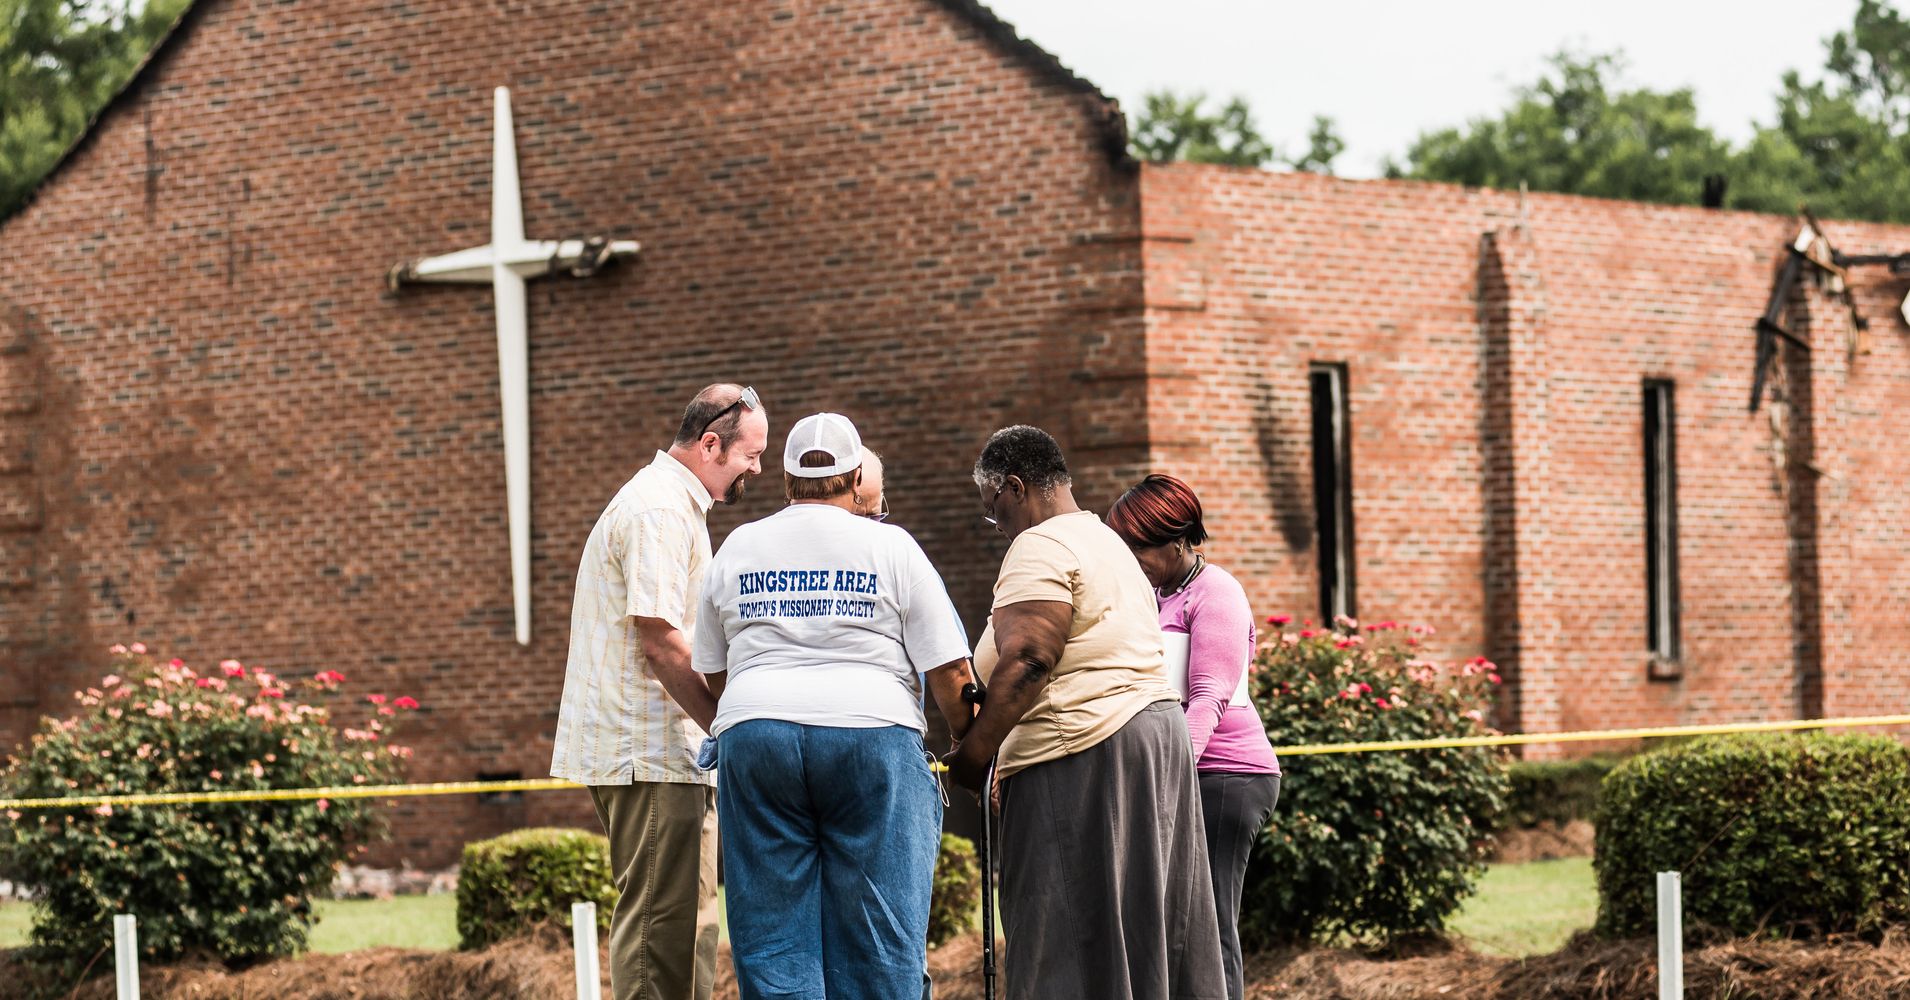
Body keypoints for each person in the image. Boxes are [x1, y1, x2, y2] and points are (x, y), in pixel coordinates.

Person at [693, 413, 975, 1000]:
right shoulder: (891, 545)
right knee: (879, 938)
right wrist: (968, 747)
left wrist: (760, 714)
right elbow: (950, 669)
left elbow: (714, 667)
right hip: (870, 735)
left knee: (771, 939)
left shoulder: (740, 545)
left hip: (758, 731)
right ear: (854, 481)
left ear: (788, 483)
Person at [944, 425, 1227, 1000]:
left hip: (1084, 754)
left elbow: (1028, 658)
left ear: (1016, 487)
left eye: (993, 511)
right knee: (1144, 931)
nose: (998, 528)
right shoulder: (1106, 543)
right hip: (1152, 742)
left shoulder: (1041, 544)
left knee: (1065, 937)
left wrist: (973, 760)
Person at [550, 383, 768, 1000]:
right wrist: (729, 726)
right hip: (649, 751)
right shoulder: (659, 510)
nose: (756, 468)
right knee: (660, 936)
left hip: (666, 754)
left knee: (688, 930)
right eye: (750, 455)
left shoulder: (672, 505)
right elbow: (662, 641)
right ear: (709, 443)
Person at [1107, 474, 1281, 1000]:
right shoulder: (1155, 596)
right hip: (1182, 773)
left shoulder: (1218, 592)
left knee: (1210, 919)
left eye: (1139, 545)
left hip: (1226, 776)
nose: (1131, 556)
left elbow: (1208, 697)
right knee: (1169, 921)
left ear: (1179, 540)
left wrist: (1167, 779)